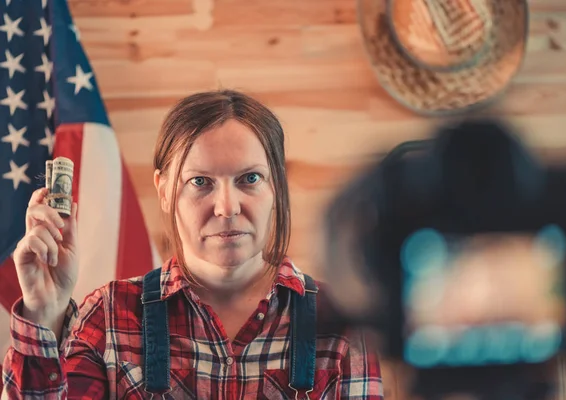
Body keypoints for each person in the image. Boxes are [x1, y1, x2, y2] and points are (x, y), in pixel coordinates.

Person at [2, 90, 384, 399]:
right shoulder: (107, 319)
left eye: (250, 178)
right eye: (200, 182)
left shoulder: (343, 328)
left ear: (276, 186)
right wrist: (44, 313)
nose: (227, 207)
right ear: (164, 190)